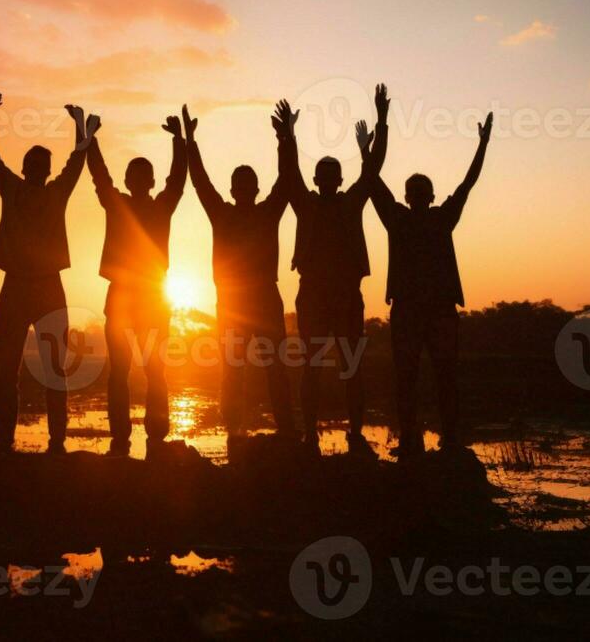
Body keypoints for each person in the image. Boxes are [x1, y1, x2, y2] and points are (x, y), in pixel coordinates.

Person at [373, 94, 493, 458]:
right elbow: (373, 181)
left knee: (438, 377)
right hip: (415, 311)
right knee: (417, 377)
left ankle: (444, 438)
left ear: (424, 196)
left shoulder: (433, 218)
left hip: (434, 311)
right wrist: (380, 124)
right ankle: (417, 438)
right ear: (410, 196)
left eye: (420, 192)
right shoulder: (405, 219)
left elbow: (468, 182)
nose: (417, 196)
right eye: (414, 192)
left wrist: (483, 145)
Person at [0, 90, 93, 453]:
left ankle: (56, 442)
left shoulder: (55, 193)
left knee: (54, 371)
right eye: (35, 164)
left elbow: (77, 161)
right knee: (7, 369)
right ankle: (4, 440)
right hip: (16, 286)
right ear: (27, 168)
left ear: (43, 170)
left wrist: (79, 127)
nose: (38, 169)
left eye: (42, 165)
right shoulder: (11, 188)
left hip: (46, 288)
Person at [276, 91, 384, 454]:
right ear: (318, 178)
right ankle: (310, 433)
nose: (324, 179)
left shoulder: (350, 202)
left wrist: (382, 122)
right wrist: (286, 137)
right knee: (312, 367)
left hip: (345, 295)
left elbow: (372, 171)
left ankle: (354, 433)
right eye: (320, 174)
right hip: (314, 295)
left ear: (338, 180)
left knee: (351, 365)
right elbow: (288, 174)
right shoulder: (305, 204)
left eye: (330, 174)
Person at [183, 104, 298, 445]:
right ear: (234, 190)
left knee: (270, 367)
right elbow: (200, 180)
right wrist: (190, 142)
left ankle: (282, 431)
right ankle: (238, 431)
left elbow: (287, 179)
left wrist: (286, 138)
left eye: (247, 186)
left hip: (260, 297)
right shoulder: (227, 213)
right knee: (239, 370)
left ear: (251, 190)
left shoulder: (259, 213)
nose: (244, 191)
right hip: (237, 300)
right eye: (241, 186)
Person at [86, 114, 187, 456]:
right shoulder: (119, 205)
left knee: (153, 368)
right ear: (129, 180)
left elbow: (178, 181)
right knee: (121, 370)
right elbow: (100, 176)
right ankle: (121, 438)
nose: (140, 180)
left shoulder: (160, 207)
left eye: (144, 175)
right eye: (135, 175)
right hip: (124, 296)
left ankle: (155, 436)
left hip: (152, 296)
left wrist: (179, 140)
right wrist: (90, 139)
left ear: (149, 180)